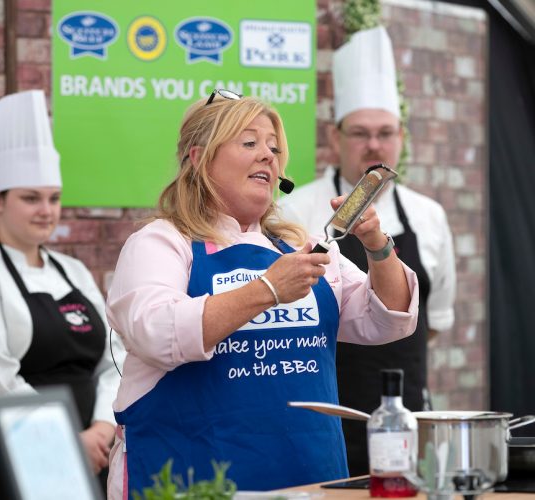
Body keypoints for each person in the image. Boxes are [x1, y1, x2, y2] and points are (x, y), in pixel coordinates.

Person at [105, 88, 419, 497]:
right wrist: (269, 289)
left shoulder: (304, 245)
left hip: (310, 478)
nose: (268, 155)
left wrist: (378, 246)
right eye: (249, 142)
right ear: (199, 159)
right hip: (192, 480)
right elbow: (156, 333)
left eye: (273, 147)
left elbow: (387, 319)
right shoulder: (161, 243)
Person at [279, 26, 456, 476]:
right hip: (323, 419)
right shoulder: (294, 211)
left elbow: (432, 321)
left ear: (400, 138)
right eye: (359, 133)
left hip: (407, 417)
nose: (373, 145)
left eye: (384, 133)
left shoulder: (429, 215)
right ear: (336, 139)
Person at [0, 90, 123, 500]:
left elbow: (114, 355)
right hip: (3, 454)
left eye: (53, 198)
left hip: (92, 452)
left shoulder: (71, 270)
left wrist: (101, 428)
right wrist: (68, 440)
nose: (46, 210)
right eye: (30, 198)